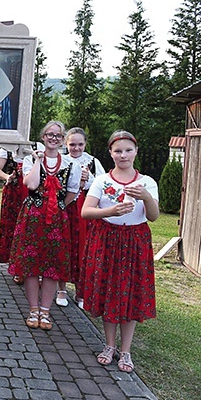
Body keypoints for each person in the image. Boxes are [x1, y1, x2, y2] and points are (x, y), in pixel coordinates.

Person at [81, 130, 159, 373]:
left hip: (135, 242)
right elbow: (86, 211)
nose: (123, 155)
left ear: (136, 151)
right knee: (109, 291)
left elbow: (154, 217)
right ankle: (109, 345)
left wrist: (146, 197)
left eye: (128, 150)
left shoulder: (147, 182)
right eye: (118, 150)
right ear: (110, 153)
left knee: (130, 293)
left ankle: (126, 350)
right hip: (106, 241)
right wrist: (111, 211)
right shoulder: (102, 180)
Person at [8, 121, 80, 331]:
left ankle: (46, 311)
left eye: (58, 136)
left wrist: (56, 206)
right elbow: (30, 184)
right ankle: (33, 309)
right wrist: (38, 160)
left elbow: (72, 192)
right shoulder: (32, 159)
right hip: (32, 216)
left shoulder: (69, 164)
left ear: (62, 139)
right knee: (31, 265)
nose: (53, 138)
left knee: (51, 266)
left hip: (56, 219)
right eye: (50, 134)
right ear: (43, 137)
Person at [56, 127, 105, 308]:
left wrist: (88, 178)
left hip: (85, 209)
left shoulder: (92, 161)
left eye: (80, 144)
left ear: (85, 144)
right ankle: (61, 288)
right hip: (66, 208)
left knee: (84, 248)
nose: (76, 148)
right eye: (72, 144)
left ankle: (81, 290)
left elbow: (102, 185)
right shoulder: (60, 160)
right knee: (64, 245)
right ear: (66, 144)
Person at [0, 147, 28, 284]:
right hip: (13, 194)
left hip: (31, 192)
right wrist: (7, 177)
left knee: (30, 230)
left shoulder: (36, 148)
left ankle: (30, 268)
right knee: (13, 229)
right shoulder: (6, 150)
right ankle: (17, 268)